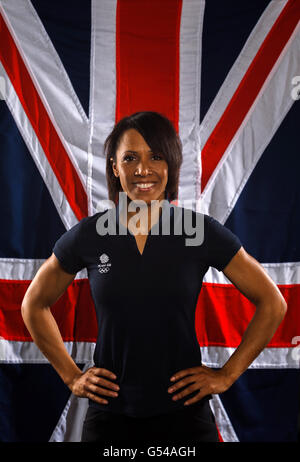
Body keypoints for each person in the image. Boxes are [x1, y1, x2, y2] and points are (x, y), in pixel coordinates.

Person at [21, 111, 287, 444]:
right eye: (130, 158)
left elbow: (273, 303)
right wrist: (72, 376)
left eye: (156, 157)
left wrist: (227, 375)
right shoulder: (89, 236)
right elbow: (33, 304)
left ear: (171, 166)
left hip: (185, 414)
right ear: (115, 168)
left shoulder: (199, 232)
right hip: (110, 416)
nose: (143, 170)